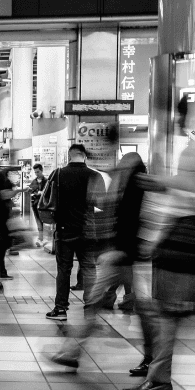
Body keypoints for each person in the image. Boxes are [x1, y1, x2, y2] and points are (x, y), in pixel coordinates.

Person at [120, 97, 195, 390]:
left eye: (181, 115)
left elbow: (188, 190)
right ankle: (158, 376)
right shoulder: (193, 148)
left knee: (165, 311)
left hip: (185, 239)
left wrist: (156, 181)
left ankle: (158, 379)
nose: (178, 121)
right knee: (165, 312)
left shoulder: (194, 150)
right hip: (181, 236)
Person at [49, 153, 145, 369]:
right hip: (117, 255)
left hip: (119, 256)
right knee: (97, 303)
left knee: (94, 302)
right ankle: (72, 352)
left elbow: (128, 223)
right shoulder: (118, 185)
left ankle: (71, 351)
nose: (121, 165)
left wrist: (118, 250)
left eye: (125, 164)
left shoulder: (134, 191)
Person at [45, 144, 105, 321]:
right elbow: (101, 204)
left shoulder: (58, 174)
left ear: (69, 155)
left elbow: (49, 200)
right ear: (84, 156)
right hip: (87, 230)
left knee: (64, 270)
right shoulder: (95, 175)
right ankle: (90, 308)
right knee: (89, 269)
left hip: (64, 230)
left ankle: (61, 309)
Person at [28, 164, 48, 246]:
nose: (37, 174)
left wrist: (42, 193)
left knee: (43, 221)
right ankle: (40, 238)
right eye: (35, 172)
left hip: (44, 205)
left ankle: (42, 238)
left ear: (41, 170)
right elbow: (31, 191)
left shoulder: (47, 181)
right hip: (35, 204)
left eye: (38, 172)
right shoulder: (34, 181)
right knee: (38, 221)